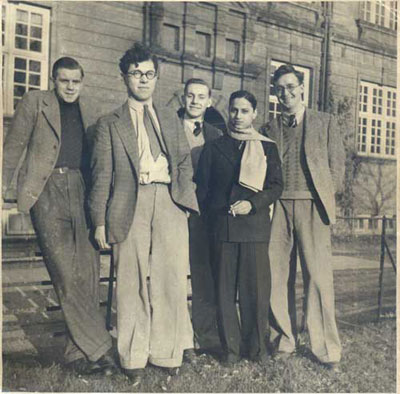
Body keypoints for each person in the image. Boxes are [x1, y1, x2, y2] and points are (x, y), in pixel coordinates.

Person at [89, 43, 199, 385]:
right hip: (129, 203)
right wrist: (99, 221)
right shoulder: (110, 123)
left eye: (149, 74)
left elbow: (182, 160)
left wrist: (183, 199)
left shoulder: (169, 118)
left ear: (157, 77)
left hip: (168, 200)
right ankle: (133, 356)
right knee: (130, 281)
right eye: (136, 74)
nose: (143, 80)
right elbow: (101, 174)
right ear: (125, 78)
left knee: (170, 278)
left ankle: (167, 353)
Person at [2, 57, 115, 375]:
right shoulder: (35, 102)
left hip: (82, 190)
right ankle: (100, 348)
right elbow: (13, 148)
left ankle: (78, 354)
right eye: (63, 80)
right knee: (66, 274)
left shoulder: (91, 109)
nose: (69, 86)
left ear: (83, 81)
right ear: (53, 79)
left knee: (89, 274)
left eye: (75, 81)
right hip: (46, 191)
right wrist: (3, 191)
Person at [262, 64, 345, 370]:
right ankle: (284, 338)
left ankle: (326, 349)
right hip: (278, 207)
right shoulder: (268, 129)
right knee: (276, 274)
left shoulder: (324, 122)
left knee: (319, 278)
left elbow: (337, 167)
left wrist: (324, 197)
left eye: (290, 87)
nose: (285, 93)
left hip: (312, 207)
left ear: (301, 88)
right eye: (279, 89)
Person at [196, 90, 283, 365]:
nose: (237, 116)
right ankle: (231, 351)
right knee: (224, 293)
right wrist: (216, 216)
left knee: (255, 292)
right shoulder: (213, 148)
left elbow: (276, 186)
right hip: (222, 229)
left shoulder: (267, 147)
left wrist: (253, 204)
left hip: (254, 228)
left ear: (255, 114)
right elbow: (204, 190)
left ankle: (257, 350)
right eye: (234, 110)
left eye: (244, 111)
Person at [180, 78, 223, 354]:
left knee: (204, 277)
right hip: (174, 209)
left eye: (201, 97)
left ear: (209, 101)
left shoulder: (216, 136)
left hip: (204, 217)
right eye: (190, 95)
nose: (195, 101)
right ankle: (178, 339)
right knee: (170, 276)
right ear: (183, 98)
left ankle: (205, 337)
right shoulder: (167, 129)